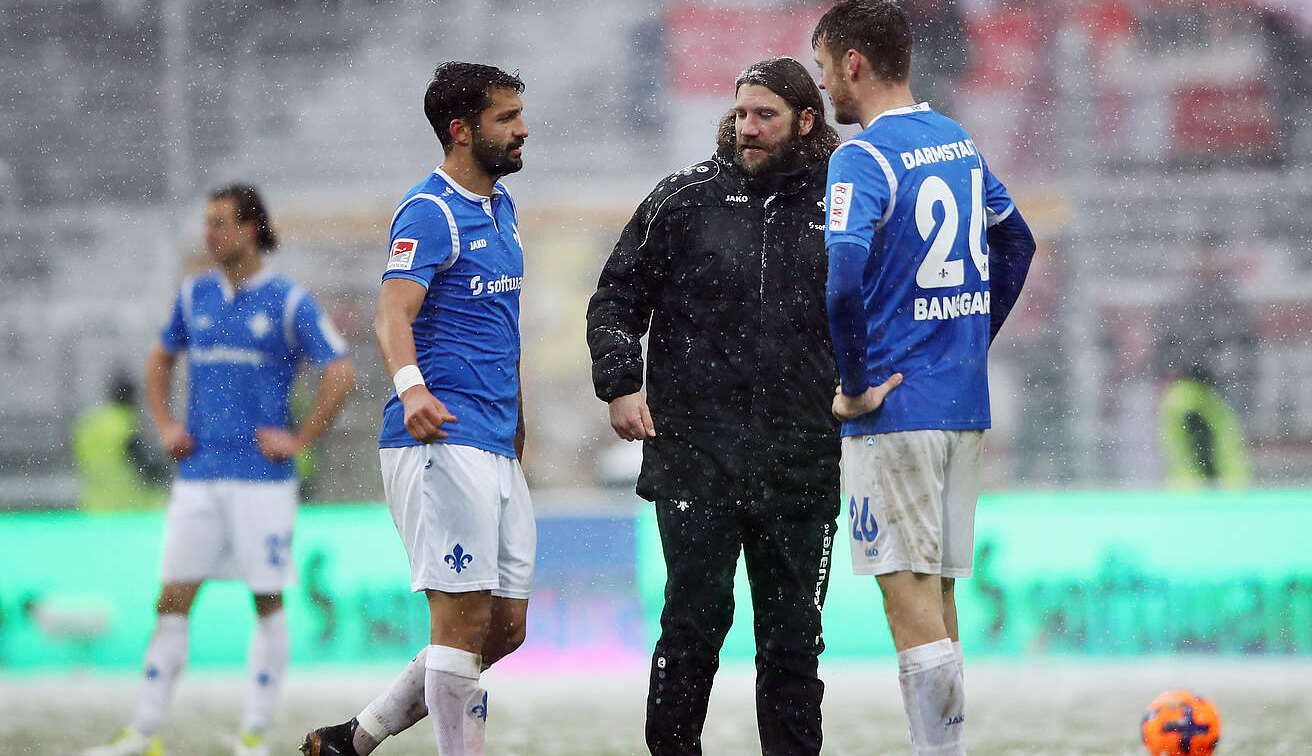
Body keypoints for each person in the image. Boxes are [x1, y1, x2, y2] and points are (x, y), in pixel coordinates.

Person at [586, 57, 842, 756]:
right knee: (692, 631)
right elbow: (614, 298)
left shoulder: (844, 204)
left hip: (802, 461)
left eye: (766, 115)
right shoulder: (684, 198)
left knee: (793, 645)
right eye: (741, 113)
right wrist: (621, 383)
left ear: (806, 122)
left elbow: (873, 315)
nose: (748, 128)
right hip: (696, 460)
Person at [812, 0, 1036, 754]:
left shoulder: (863, 157)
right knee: (937, 597)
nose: (824, 91)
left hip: (897, 411)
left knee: (907, 598)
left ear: (853, 64)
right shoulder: (957, 143)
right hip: (961, 403)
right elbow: (1019, 243)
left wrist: (857, 380)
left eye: (823, 70)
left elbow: (842, 279)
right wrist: (968, 344)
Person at [299, 61, 532, 756]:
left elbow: (497, 324)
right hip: (437, 440)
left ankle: (356, 738)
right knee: (458, 629)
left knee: (506, 630)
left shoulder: (502, 208)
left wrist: (517, 413)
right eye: (506, 118)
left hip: (492, 438)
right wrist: (412, 388)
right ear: (461, 132)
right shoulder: (428, 211)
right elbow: (390, 317)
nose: (523, 129)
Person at [83, 183, 356, 756]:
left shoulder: (286, 300)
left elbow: (339, 370)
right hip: (200, 476)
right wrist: (164, 425)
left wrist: (302, 437)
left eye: (219, 222)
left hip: (262, 480)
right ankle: (144, 732)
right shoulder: (193, 295)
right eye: (205, 223)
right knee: (172, 599)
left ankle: (254, 733)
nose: (208, 234)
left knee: (267, 601)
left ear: (250, 228)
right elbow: (159, 360)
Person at [72, 370, 169, 513]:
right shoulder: (125, 425)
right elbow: (145, 468)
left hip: (94, 507)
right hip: (127, 508)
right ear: (132, 398)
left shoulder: (89, 424)